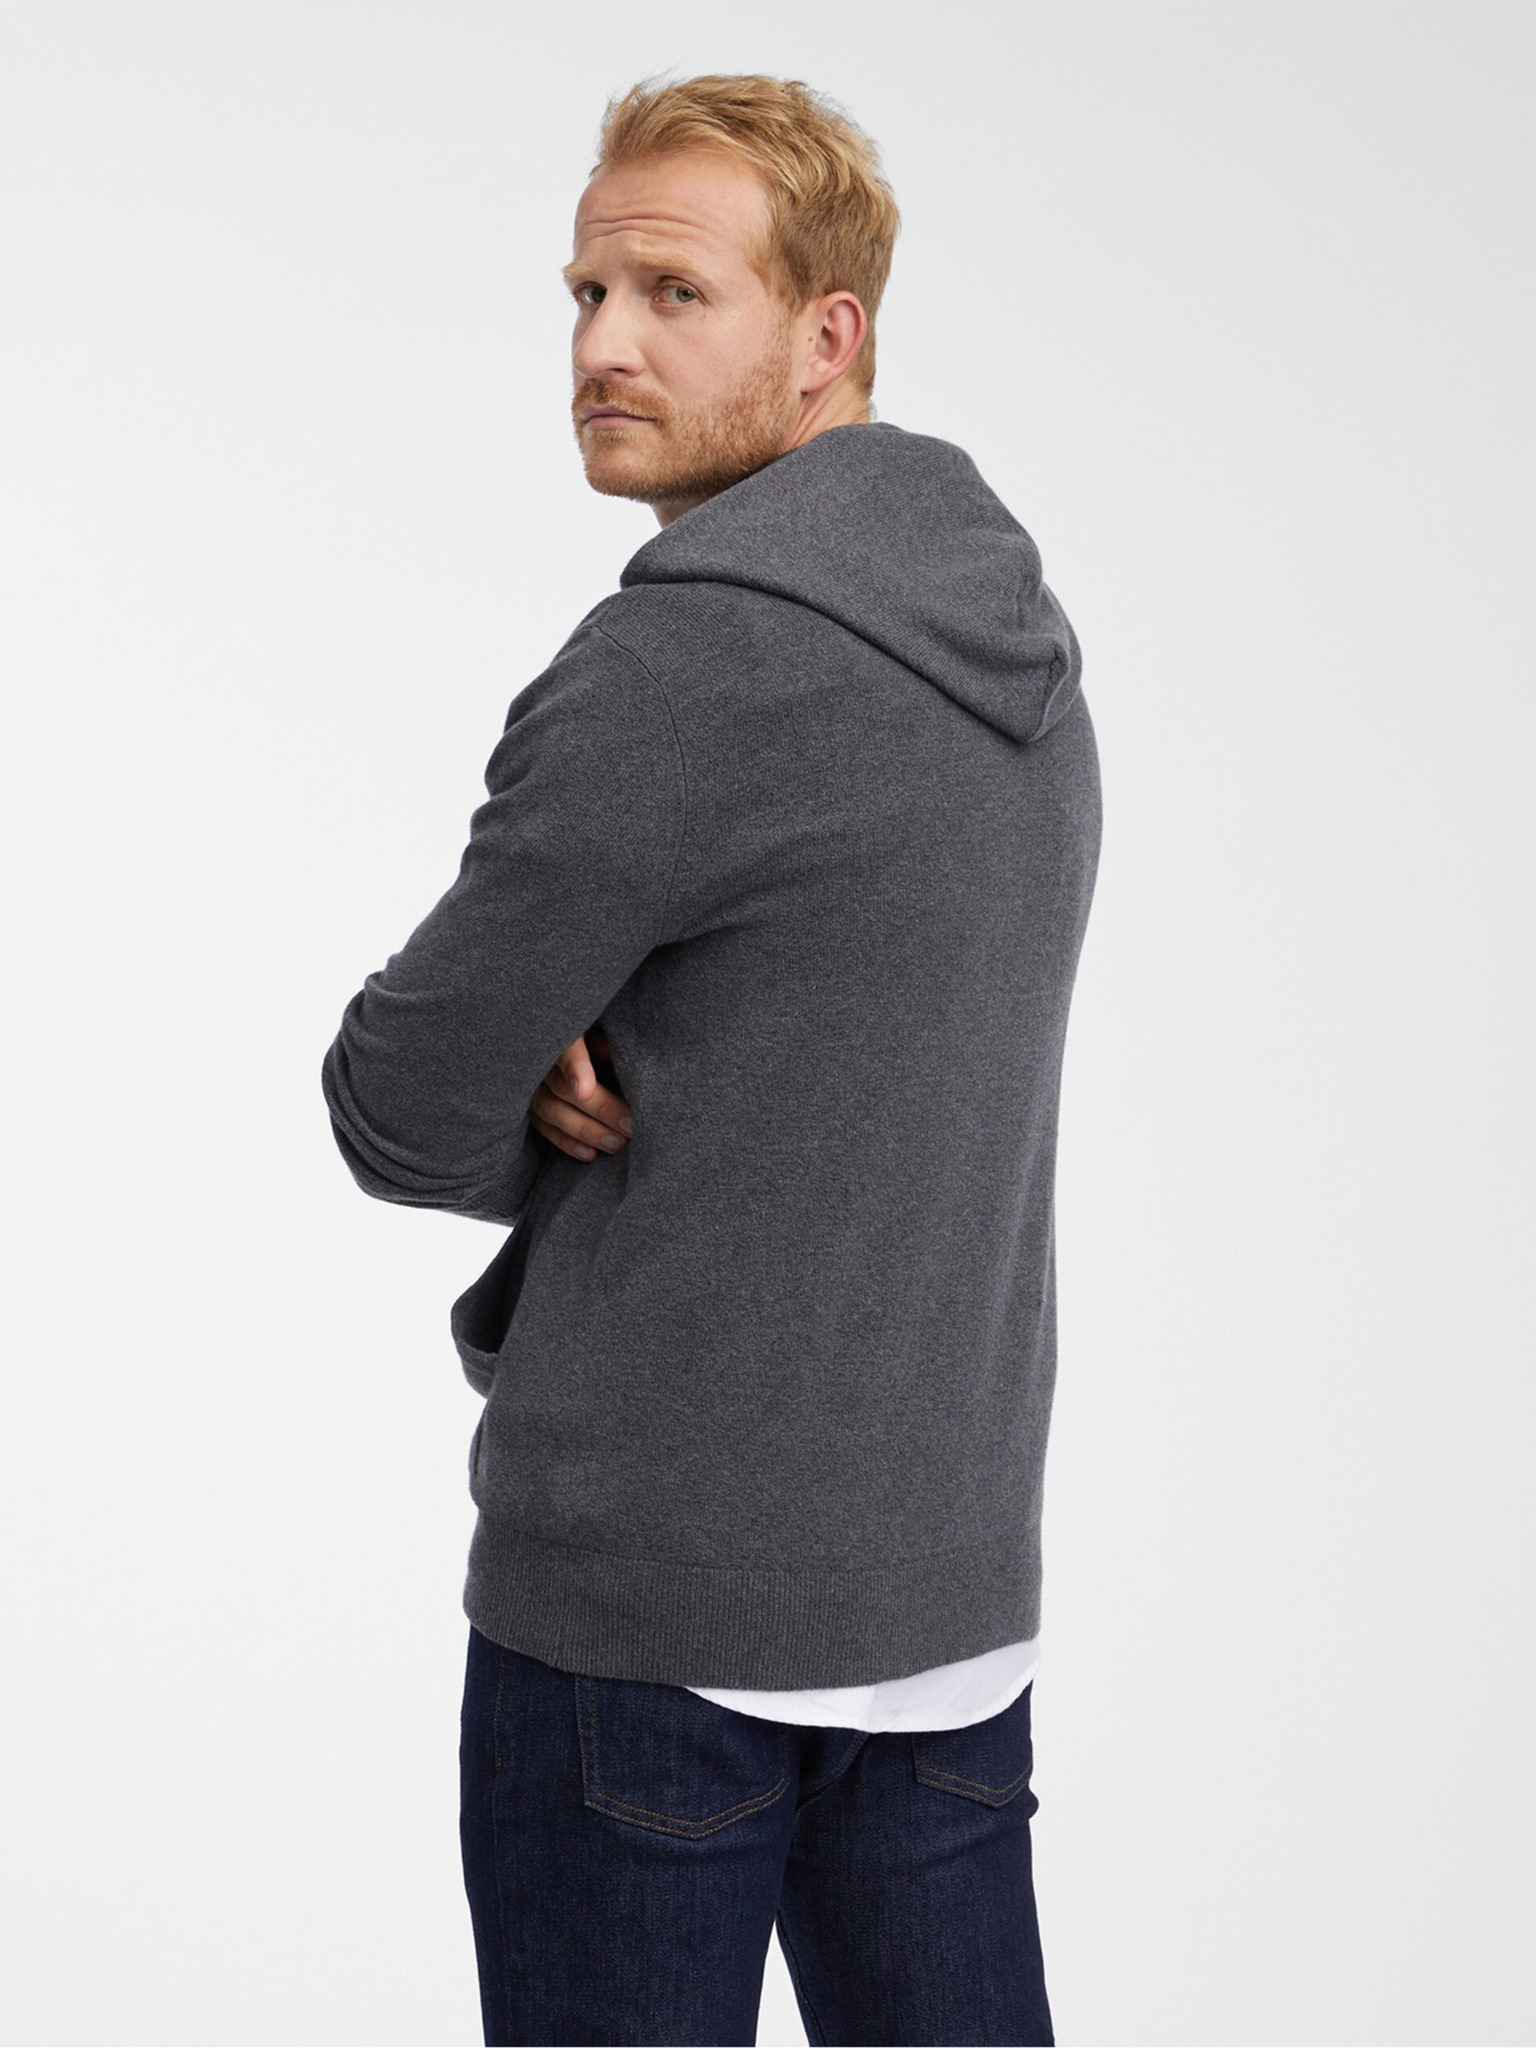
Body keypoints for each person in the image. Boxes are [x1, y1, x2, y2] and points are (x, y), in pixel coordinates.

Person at [320, 70, 1100, 2048]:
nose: (603, 345)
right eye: (586, 292)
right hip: (942, 1602)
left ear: (828, 336)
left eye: (675, 293)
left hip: (655, 1616)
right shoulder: (1013, 650)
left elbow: (394, 1101)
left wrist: (531, 1093)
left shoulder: (680, 666)